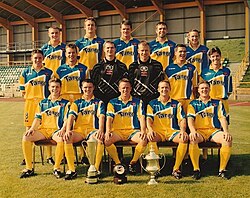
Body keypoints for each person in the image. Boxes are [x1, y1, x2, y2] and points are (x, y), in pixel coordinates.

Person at [20, 78, 70, 178]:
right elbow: (37, 118)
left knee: (61, 139)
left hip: (56, 130)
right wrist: (32, 129)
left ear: (60, 88)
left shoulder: (66, 103)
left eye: (57, 87)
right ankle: (29, 168)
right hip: (44, 131)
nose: (54, 89)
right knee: (26, 137)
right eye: (52, 87)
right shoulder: (42, 103)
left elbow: (67, 120)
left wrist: (63, 129)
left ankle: (57, 168)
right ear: (49, 88)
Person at [187, 81, 233, 180]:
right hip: (199, 131)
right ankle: (196, 169)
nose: (204, 90)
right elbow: (190, 119)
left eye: (206, 88)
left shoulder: (217, 103)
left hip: (213, 131)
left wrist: (225, 131)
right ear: (198, 90)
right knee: (193, 139)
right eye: (202, 88)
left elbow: (222, 118)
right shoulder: (193, 103)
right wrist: (192, 131)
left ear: (209, 89)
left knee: (227, 139)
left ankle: (222, 170)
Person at [63, 79, 105, 180]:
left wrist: (100, 130)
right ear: (81, 88)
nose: (87, 89)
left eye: (90, 87)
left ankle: (96, 168)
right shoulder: (76, 103)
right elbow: (71, 117)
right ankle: (71, 170)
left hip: (93, 130)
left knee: (99, 139)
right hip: (79, 131)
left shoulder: (99, 102)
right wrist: (68, 130)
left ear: (93, 88)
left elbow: (102, 117)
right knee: (67, 138)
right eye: (85, 87)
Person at [147, 80, 188, 179]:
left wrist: (182, 131)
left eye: (166, 87)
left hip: (172, 132)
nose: (164, 89)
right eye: (162, 87)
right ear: (158, 89)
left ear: (170, 89)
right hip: (159, 132)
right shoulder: (152, 103)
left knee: (184, 139)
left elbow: (182, 119)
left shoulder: (176, 104)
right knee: (151, 137)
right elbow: (148, 119)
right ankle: (156, 168)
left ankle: (176, 169)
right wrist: (150, 129)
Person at [104, 78, 147, 174]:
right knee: (107, 140)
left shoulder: (138, 102)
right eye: (123, 88)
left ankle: (133, 162)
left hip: (133, 131)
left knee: (143, 139)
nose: (125, 90)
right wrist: (107, 131)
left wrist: (143, 131)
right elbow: (109, 119)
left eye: (127, 88)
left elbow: (142, 118)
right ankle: (118, 163)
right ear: (119, 89)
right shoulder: (112, 102)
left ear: (131, 88)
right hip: (118, 131)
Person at [19, 49, 53, 165]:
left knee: (46, 127)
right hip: (30, 104)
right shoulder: (25, 73)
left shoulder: (49, 72)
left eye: (39, 58)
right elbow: (23, 91)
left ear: (43, 58)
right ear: (31, 59)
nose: (37, 60)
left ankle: (49, 156)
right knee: (29, 129)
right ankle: (27, 157)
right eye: (35, 58)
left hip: (43, 104)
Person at [200, 47, 232, 124]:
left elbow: (229, 90)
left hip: (223, 102)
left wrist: (222, 97)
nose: (215, 58)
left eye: (217, 56)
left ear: (220, 56)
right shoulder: (204, 72)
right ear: (210, 58)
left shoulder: (226, 71)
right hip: (209, 103)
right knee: (208, 125)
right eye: (213, 56)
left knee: (223, 127)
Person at [129, 41, 165, 107]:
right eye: (142, 50)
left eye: (146, 50)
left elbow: (161, 82)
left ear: (150, 51)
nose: (144, 53)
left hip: (153, 99)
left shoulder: (157, 65)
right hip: (137, 99)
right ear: (138, 51)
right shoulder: (133, 66)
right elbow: (130, 83)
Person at [165, 44, 198, 113]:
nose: (182, 54)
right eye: (180, 51)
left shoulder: (192, 68)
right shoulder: (168, 69)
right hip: (174, 100)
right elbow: (165, 86)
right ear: (175, 53)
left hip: (188, 100)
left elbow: (195, 86)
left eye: (184, 52)